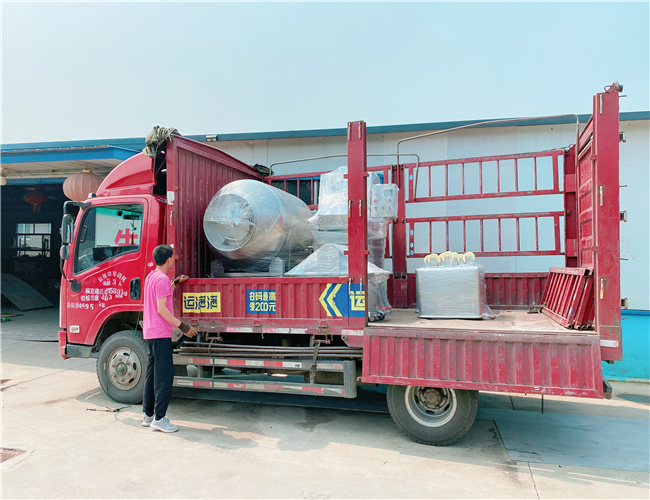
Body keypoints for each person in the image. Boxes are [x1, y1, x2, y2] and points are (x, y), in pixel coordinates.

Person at [141, 244, 197, 433]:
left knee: (152, 375)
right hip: (160, 333)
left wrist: (175, 283)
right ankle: (160, 419)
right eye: (172, 257)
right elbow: (161, 308)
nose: (173, 259)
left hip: (150, 332)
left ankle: (148, 415)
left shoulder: (152, 277)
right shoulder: (162, 279)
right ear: (168, 260)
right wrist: (182, 326)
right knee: (164, 377)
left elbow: (159, 296)